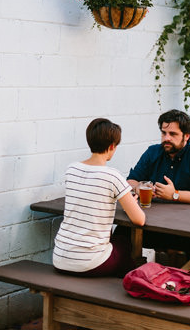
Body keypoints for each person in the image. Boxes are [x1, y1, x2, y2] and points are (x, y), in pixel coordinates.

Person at [53, 118, 147, 276]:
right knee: (124, 243)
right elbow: (139, 220)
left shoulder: (71, 169)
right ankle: (125, 291)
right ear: (112, 146)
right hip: (90, 263)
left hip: (60, 258)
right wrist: (133, 203)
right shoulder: (112, 175)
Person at [127, 110, 190, 205]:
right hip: (155, 215)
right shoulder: (152, 152)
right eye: (164, 133)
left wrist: (174, 194)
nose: (166, 138)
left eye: (173, 134)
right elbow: (130, 180)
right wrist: (137, 188)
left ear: (186, 136)